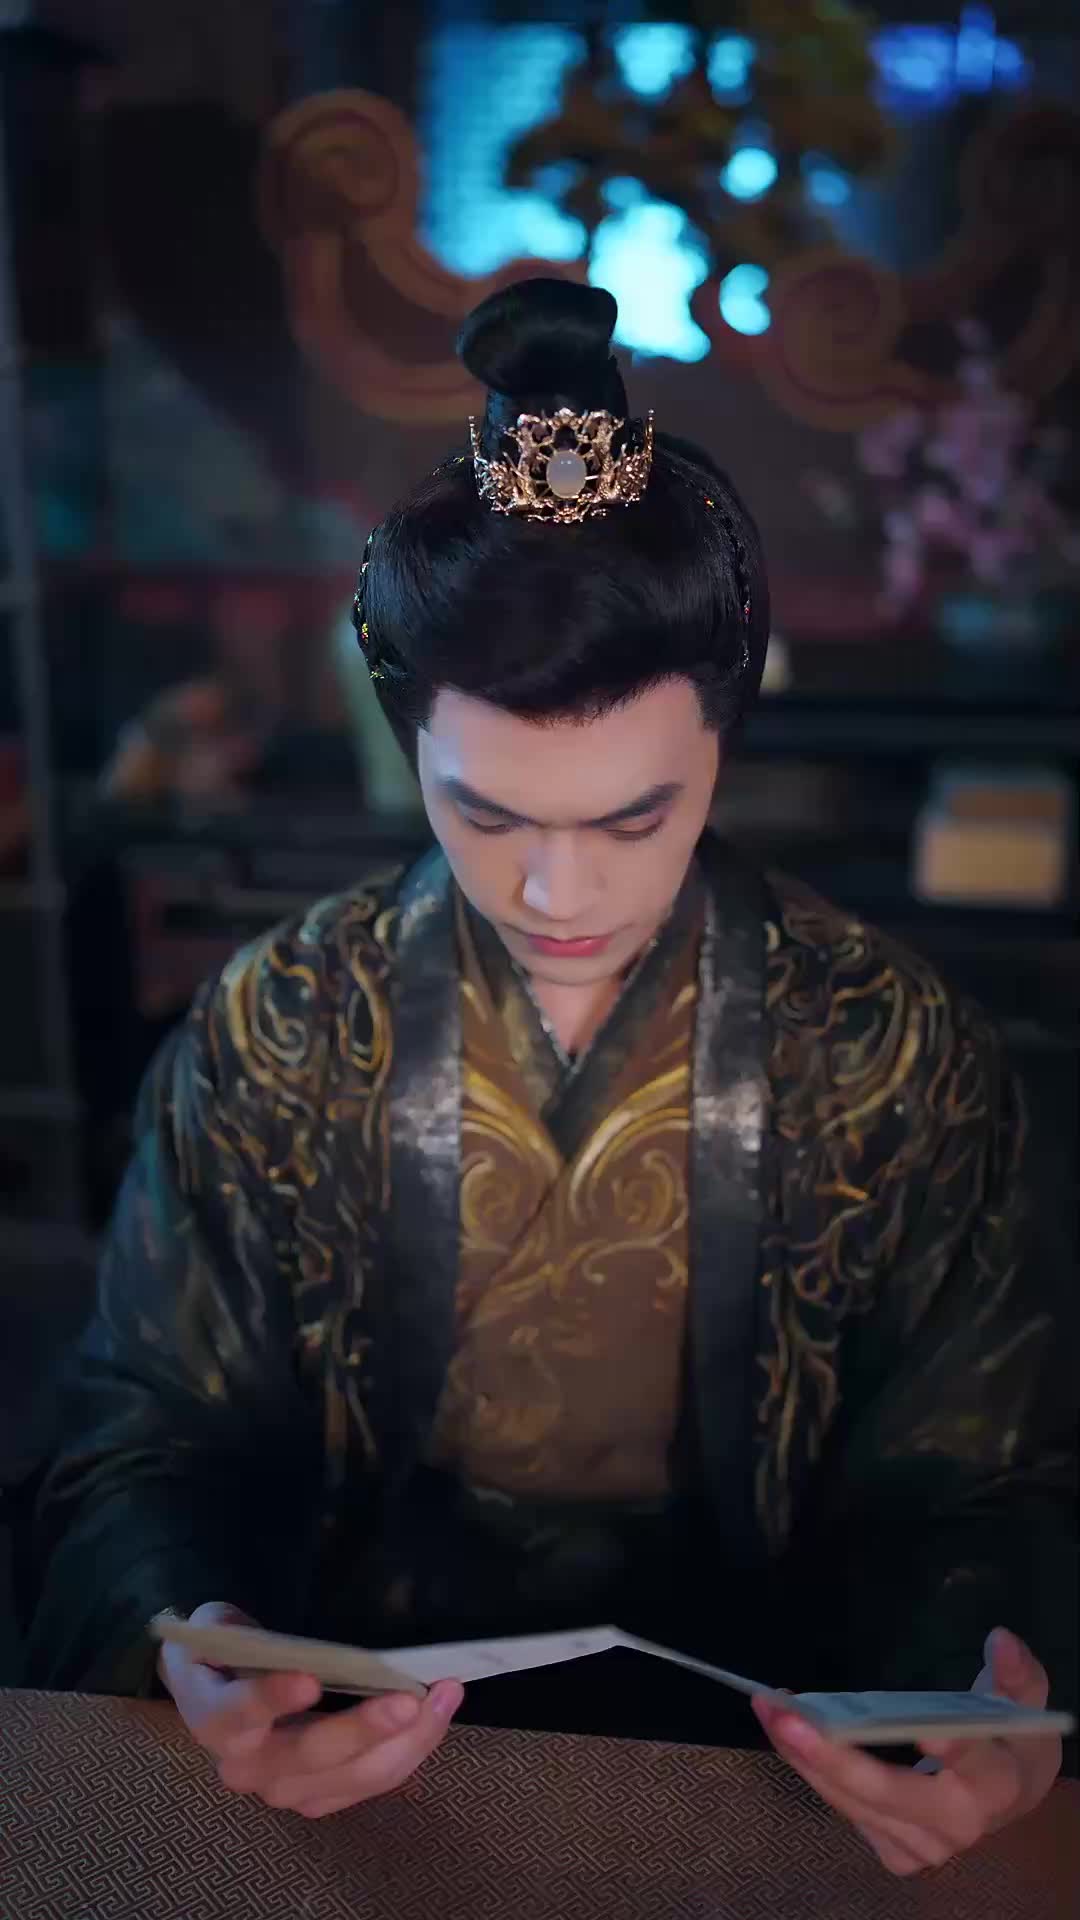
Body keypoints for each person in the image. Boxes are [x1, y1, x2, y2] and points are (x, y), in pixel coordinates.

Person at [24, 280, 1076, 1874]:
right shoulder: (282, 1025)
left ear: (725, 742)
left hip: (782, 1732)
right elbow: (148, 1425)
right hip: (358, 1710)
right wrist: (199, 1636)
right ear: (410, 749)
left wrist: (964, 1689)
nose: (558, 893)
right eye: (488, 814)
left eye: (633, 819)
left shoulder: (887, 1045)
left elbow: (976, 1471)